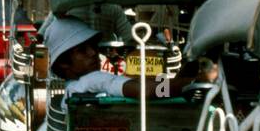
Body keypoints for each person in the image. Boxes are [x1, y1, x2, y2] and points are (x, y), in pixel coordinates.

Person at [44, 16, 203, 100]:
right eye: (82, 51)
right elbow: (147, 91)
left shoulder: (74, 87)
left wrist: (182, 79)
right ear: (64, 63)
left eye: (93, 46)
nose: (93, 53)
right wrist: (194, 84)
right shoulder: (93, 80)